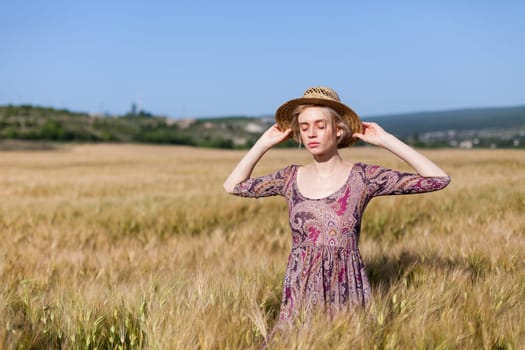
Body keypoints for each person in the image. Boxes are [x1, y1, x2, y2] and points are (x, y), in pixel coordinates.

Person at [223, 86, 450, 334]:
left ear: (339, 129)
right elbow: (233, 186)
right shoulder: (289, 177)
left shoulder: (364, 177)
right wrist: (263, 144)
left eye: (320, 126)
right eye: (304, 127)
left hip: (346, 287)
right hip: (299, 291)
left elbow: (438, 179)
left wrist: (386, 140)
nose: (312, 134)